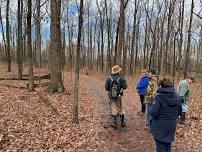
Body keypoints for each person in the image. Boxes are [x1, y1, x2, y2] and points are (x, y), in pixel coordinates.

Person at [149, 77, 182, 152]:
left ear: (161, 85)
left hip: (159, 127)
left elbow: (154, 112)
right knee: (167, 145)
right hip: (171, 126)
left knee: (160, 146)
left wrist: (152, 107)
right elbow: (179, 112)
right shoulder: (177, 97)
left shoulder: (158, 97)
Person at [105, 65, 128, 129]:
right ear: (118, 71)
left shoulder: (109, 78)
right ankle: (122, 122)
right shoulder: (121, 77)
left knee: (113, 108)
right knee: (121, 108)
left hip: (111, 96)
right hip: (119, 96)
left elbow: (106, 88)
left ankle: (114, 123)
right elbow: (125, 86)